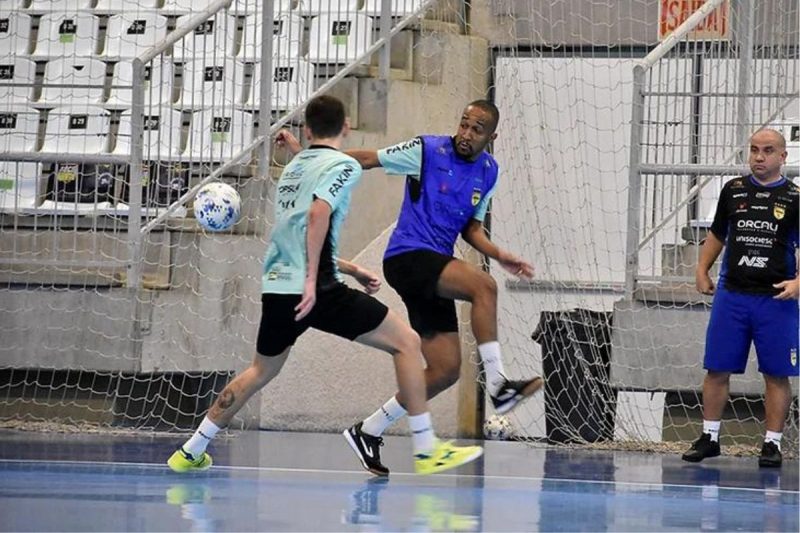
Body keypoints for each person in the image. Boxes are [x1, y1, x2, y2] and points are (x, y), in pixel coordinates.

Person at [167, 95, 482, 476]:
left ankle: (192, 448)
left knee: (259, 371)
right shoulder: (343, 166)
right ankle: (426, 447)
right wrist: (316, 281)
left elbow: (300, 221)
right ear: (346, 127)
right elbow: (318, 214)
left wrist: (350, 269)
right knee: (408, 343)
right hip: (315, 288)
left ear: (307, 130)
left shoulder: (297, 167)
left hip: (278, 287)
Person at [344, 100, 543, 476]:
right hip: (407, 256)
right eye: (464, 124)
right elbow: (369, 158)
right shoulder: (427, 150)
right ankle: (499, 384)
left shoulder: (489, 171)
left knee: (446, 369)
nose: (466, 134)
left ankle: (369, 429)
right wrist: (320, 161)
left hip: (434, 265)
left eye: (477, 129)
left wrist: (500, 254)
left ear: (492, 136)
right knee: (484, 287)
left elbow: (471, 229)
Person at [681, 128, 799, 468]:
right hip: (732, 296)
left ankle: (772, 444)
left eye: (767, 150)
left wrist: (798, 283)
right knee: (717, 367)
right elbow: (717, 235)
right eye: (754, 150)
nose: (759, 157)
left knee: (776, 374)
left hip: (775, 299)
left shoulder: (794, 197)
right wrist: (702, 270)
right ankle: (710, 437)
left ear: (782, 157)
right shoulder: (733, 191)